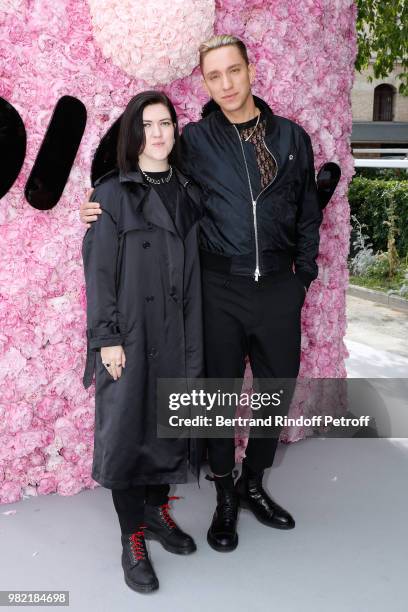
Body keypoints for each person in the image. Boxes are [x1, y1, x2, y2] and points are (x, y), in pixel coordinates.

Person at [80, 35, 323, 554]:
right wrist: (98, 199)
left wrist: (303, 276)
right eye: (214, 76)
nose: (226, 84)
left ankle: (253, 482)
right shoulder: (194, 139)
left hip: (280, 285)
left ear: (250, 71)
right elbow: (141, 160)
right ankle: (223, 495)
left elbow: (308, 208)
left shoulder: (292, 139)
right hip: (218, 287)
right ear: (205, 82)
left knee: (274, 392)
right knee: (214, 397)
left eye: (233, 71)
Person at [81, 91, 204, 593]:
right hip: (130, 338)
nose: (158, 133)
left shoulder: (188, 191)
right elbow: (99, 272)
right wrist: (107, 338)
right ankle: (132, 537)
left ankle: (155, 514)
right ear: (133, 135)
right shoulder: (111, 195)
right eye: (148, 124)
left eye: (166, 124)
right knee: (129, 437)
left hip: (178, 336)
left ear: (176, 132)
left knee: (169, 429)